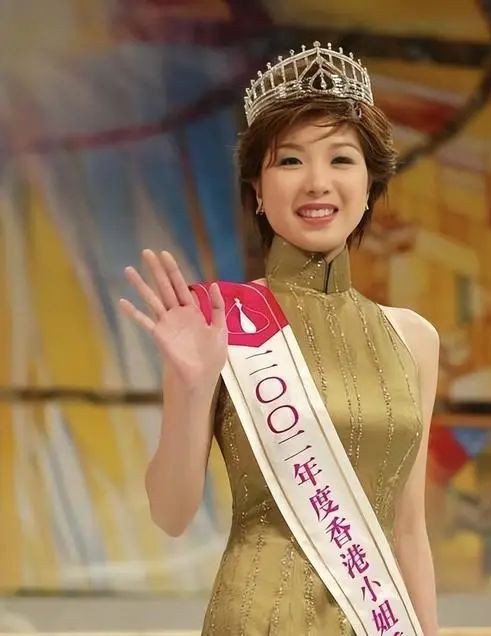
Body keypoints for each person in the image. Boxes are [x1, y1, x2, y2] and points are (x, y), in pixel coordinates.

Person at [119, 42, 439, 636]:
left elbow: (409, 529)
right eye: (290, 161)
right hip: (257, 620)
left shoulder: (414, 338)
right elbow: (170, 515)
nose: (317, 182)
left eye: (341, 159)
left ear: (370, 181)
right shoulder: (219, 321)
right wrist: (192, 388)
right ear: (259, 192)